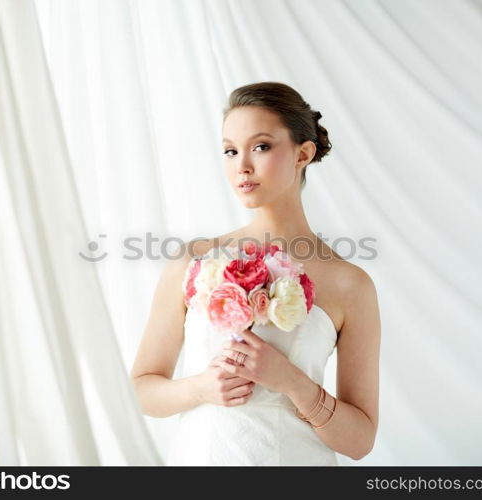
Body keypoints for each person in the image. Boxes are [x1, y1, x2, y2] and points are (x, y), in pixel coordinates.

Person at [131, 81, 381, 465]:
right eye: (230, 151)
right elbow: (141, 389)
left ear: (304, 152)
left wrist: (295, 384)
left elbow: (359, 441)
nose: (242, 166)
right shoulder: (193, 261)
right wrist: (200, 388)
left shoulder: (349, 283)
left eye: (261, 146)